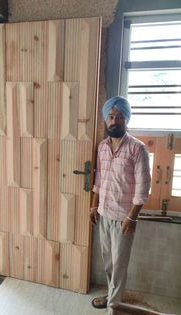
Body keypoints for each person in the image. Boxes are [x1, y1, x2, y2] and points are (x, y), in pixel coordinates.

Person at [90, 96, 151, 315]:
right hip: (104, 214)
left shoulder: (138, 149)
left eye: (120, 117)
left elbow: (143, 189)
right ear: (106, 120)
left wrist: (132, 217)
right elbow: (99, 181)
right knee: (108, 263)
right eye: (111, 116)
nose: (115, 120)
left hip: (124, 218)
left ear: (127, 120)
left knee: (119, 265)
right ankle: (112, 297)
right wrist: (93, 206)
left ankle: (113, 308)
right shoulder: (102, 147)